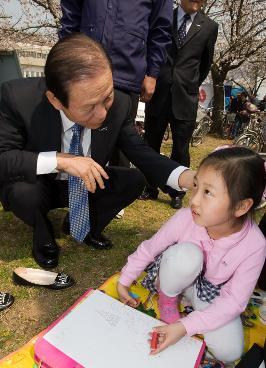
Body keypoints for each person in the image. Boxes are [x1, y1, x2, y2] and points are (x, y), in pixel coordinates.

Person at [0, 33, 194, 269]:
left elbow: (140, 151)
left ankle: (83, 226)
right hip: (41, 184)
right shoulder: (17, 98)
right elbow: (4, 158)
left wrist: (186, 177)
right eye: (89, 107)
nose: (102, 114)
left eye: (106, 98)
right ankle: (43, 235)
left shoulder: (120, 103)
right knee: (21, 191)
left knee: (133, 179)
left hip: (87, 184)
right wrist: (62, 161)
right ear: (55, 100)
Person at [117, 147, 266, 363]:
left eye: (207, 193)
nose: (194, 200)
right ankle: (168, 298)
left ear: (241, 206)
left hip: (212, 292)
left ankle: (190, 308)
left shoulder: (255, 245)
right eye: (195, 186)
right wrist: (125, 279)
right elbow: (151, 247)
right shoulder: (186, 218)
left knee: (230, 352)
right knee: (186, 254)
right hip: (176, 275)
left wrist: (185, 326)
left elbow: (234, 301)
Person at [59, 0, 173, 168]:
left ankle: (117, 192)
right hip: (83, 69)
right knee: (76, 139)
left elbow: (161, 29)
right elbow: (70, 16)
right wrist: (65, 60)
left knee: (121, 146)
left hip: (127, 73)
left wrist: (152, 73)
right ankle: (76, 190)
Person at [140, 0, 218, 209]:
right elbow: (151, 48)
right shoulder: (163, 17)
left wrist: (187, 84)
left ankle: (177, 192)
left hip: (185, 97)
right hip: (158, 94)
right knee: (151, 144)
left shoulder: (210, 26)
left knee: (181, 148)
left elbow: (205, 64)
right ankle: (150, 187)